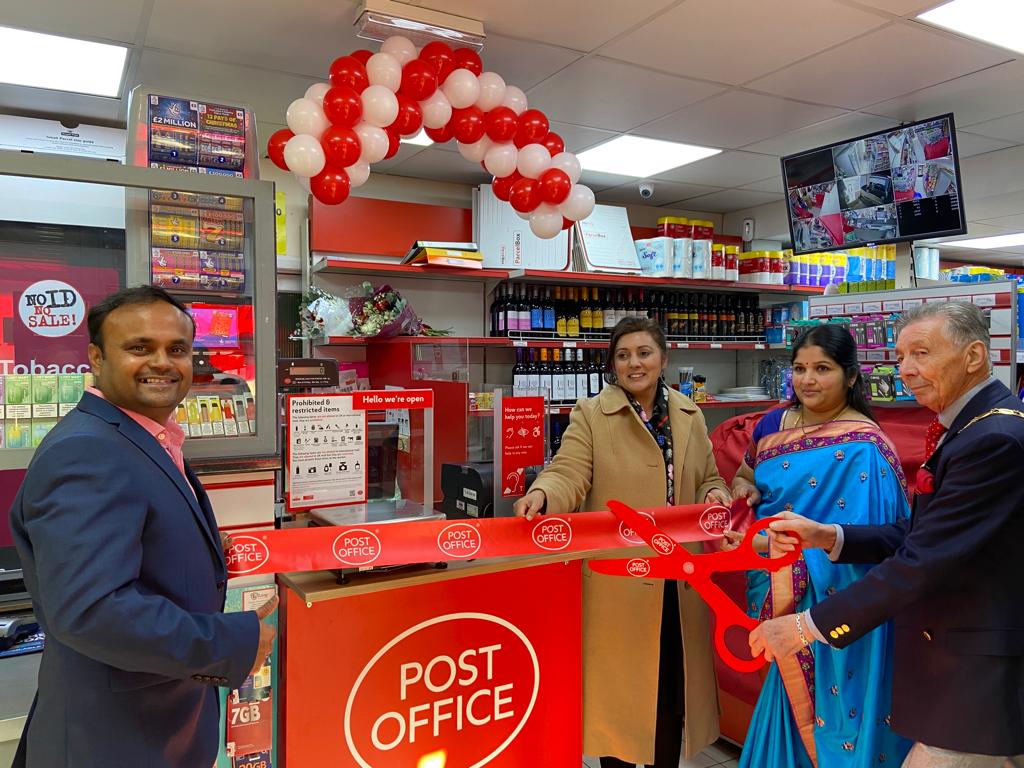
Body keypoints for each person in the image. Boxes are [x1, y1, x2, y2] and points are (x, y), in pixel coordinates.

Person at [10, 285, 276, 768]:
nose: (163, 363)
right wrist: (231, 643)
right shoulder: (88, 451)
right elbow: (92, 610)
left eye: (177, 349)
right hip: (117, 735)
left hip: (153, 718)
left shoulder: (143, 435)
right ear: (95, 357)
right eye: (139, 348)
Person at [752, 301, 1024, 767]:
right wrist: (829, 536)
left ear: (975, 356)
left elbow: (922, 561)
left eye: (921, 354)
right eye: (901, 357)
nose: (907, 370)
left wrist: (805, 626)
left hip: (975, 670)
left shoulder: (991, 438)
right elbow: (914, 534)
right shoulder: (970, 427)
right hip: (956, 662)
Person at [513, 317, 731, 768]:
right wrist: (544, 494)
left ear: (663, 359)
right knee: (620, 701)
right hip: (620, 580)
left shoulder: (689, 415)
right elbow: (569, 471)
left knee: (671, 693)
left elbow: (710, 477)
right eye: (624, 355)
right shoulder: (592, 414)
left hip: (679, 578)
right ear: (613, 363)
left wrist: (715, 494)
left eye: (644, 353)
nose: (635, 363)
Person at [725, 324, 911, 768]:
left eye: (822, 369)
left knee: (840, 707)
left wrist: (781, 545)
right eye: (799, 368)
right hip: (775, 583)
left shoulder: (866, 446)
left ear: (850, 376)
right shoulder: (774, 422)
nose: (807, 380)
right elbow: (747, 477)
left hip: (833, 601)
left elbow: (876, 547)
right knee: (785, 692)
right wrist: (743, 492)